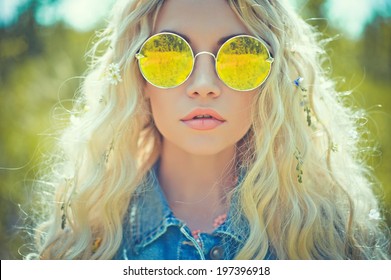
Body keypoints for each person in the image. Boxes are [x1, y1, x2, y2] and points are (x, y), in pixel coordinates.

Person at [25, 0, 390, 260]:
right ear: (137, 78)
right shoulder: (83, 243)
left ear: (272, 79)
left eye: (239, 56)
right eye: (168, 55)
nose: (203, 84)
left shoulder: (328, 242)